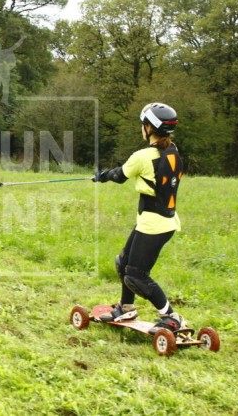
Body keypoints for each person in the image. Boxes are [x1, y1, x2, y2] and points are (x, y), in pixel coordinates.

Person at [93, 103, 185, 332]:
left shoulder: (143, 156)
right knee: (123, 263)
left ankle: (171, 317)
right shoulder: (173, 151)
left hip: (154, 224)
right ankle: (126, 308)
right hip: (161, 221)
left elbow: (120, 175)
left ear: (149, 128)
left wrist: (102, 176)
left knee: (136, 275)